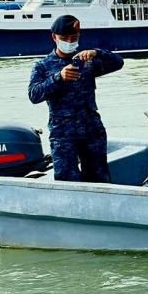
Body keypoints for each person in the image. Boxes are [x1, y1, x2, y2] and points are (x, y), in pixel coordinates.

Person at [27, 15, 124, 182]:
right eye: (65, 38)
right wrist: (58, 78)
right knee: (66, 179)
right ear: (54, 37)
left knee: (99, 177)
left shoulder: (86, 60)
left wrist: (97, 52)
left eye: (74, 38)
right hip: (63, 133)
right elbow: (34, 95)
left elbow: (118, 62)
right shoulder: (43, 66)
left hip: (91, 128)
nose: (69, 41)